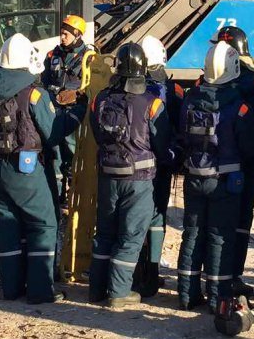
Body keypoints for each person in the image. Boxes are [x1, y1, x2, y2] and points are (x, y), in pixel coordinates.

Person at [176, 41, 254, 313]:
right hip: (225, 182)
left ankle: (187, 294)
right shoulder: (239, 107)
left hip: (193, 177)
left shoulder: (190, 99)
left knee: (192, 234)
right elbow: (251, 146)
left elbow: (181, 134)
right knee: (219, 237)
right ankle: (217, 297)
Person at [0, 33, 64, 304]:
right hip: (25, 168)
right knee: (43, 223)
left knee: (8, 224)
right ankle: (41, 290)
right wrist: (72, 117)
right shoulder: (34, 93)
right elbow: (51, 134)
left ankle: (12, 288)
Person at [88, 42, 170, 308]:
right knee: (131, 236)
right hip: (139, 180)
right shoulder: (153, 103)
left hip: (107, 175)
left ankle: (96, 289)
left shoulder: (100, 99)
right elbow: (161, 141)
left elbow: (97, 133)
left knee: (105, 233)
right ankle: (119, 292)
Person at [212, 26, 254, 296]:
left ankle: (214, 279)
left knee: (212, 225)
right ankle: (232, 277)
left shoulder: (207, 81)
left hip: (215, 162)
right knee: (240, 224)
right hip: (247, 162)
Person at [135, 34, 175, 297]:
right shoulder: (169, 90)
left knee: (133, 218)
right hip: (159, 161)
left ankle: (135, 276)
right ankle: (152, 274)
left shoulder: (122, 88)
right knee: (157, 216)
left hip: (132, 163)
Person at [41, 15, 90, 214]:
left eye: (66, 34)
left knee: (73, 154)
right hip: (54, 112)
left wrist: (77, 94)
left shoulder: (89, 58)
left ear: (77, 35)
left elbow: (95, 88)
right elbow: (44, 81)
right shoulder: (53, 55)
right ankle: (56, 199)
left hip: (75, 114)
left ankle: (74, 198)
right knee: (54, 156)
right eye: (61, 33)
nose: (62, 37)